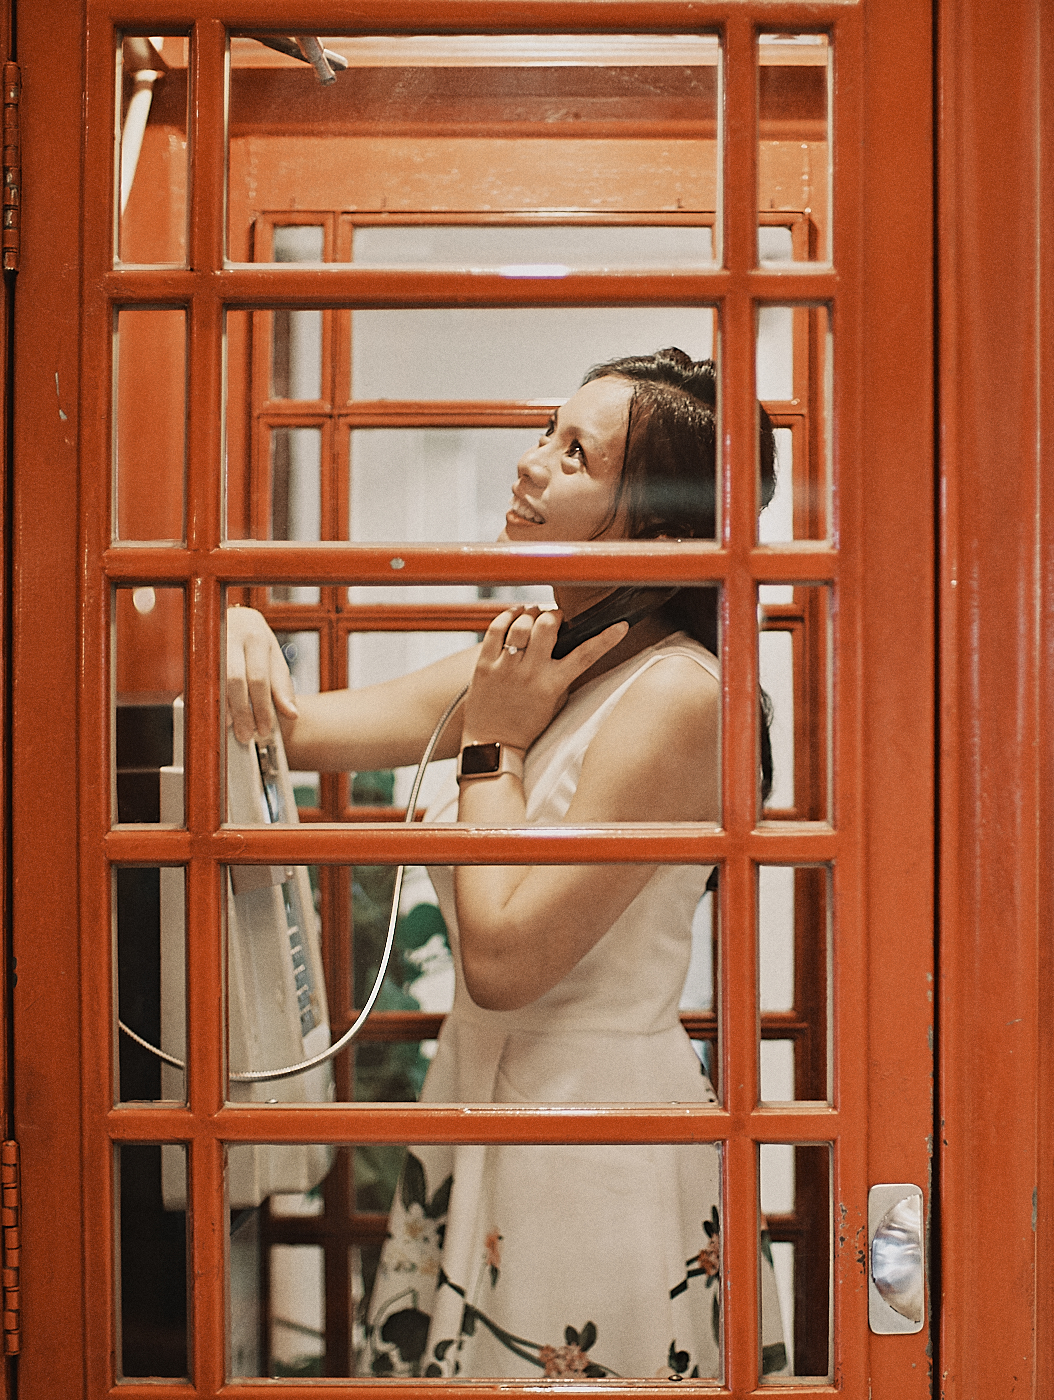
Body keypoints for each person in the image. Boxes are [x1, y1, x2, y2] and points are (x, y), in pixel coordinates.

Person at [224, 348, 788, 1381]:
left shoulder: (682, 696)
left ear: (664, 528)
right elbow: (294, 734)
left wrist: (494, 743)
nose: (531, 464)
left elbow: (503, 954)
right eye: (546, 432)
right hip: (475, 1101)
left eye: (576, 455)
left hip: (585, 1139)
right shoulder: (535, 650)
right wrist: (237, 627)